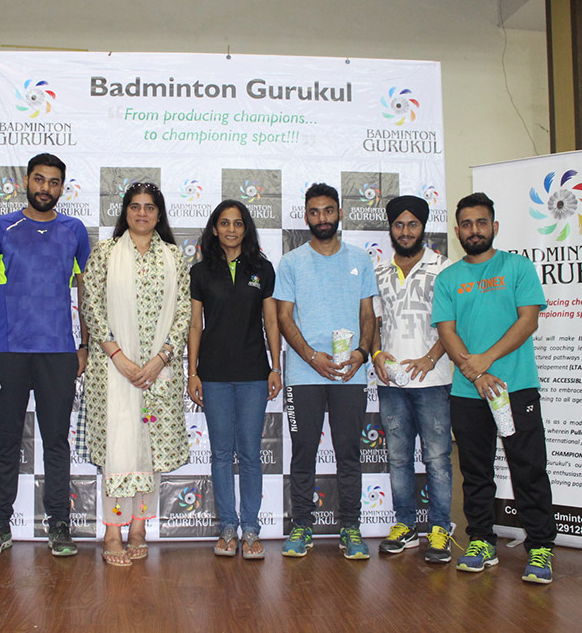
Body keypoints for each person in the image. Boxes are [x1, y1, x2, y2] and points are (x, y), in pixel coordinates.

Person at [432, 191, 555, 584]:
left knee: (529, 468)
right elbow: (447, 333)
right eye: (467, 224)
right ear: (457, 231)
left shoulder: (517, 267)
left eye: (481, 222)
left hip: (516, 388)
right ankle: (482, 541)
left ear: (494, 226)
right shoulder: (448, 279)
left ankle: (540, 547)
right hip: (468, 392)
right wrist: (476, 373)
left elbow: (528, 321)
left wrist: (486, 359)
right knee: (475, 471)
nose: (474, 230)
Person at [0, 153, 90, 559]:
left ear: (62, 188)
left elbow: (86, 290)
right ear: (26, 181)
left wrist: (85, 345)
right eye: (39, 179)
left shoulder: (74, 230)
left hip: (58, 353)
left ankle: (58, 523)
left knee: (56, 442)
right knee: (6, 441)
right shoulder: (1, 228)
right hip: (8, 351)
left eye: (54, 182)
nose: (45, 188)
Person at [81, 182, 191, 566]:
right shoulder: (106, 253)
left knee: (149, 448)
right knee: (118, 446)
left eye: (149, 207)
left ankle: (139, 529)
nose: (142, 213)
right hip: (112, 372)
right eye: (135, 206)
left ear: (159, 215)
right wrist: (119, 357)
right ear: (125, 212)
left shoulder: (174, 257)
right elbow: (91, 306)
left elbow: (184, 314)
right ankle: (113, 532)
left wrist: (160, 359)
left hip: (159, 373)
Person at [274, 183, 377, 560]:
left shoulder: (360, 259)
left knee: (349, 453)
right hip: (304, 375)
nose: (322, 218)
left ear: (340, 213)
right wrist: (310, 356)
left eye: (328, 211)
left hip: (350, 374)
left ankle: (351, 528)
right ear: (306, 216)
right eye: (315, 212)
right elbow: (284, 317)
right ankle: (301, 526)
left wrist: (362, 354)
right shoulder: (291, 262)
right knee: (303, 452)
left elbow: (368, 314)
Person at [187, 200, 281, 559]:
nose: (231, 229)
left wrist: (275, 367)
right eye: (224, 223)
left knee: (251, 454)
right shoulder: (201, 272)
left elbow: (271, 322)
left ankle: (251, 529)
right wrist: (192, 372)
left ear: (246, 229)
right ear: (214, 229)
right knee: (222, 454)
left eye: (238, 223)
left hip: (254, 374)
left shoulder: (262, 268)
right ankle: (227, 527)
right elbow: (195, 326)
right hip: (213, 376)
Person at [371, 195, 454, 563]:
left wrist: (430, 358)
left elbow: (453, 323)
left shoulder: (444, 268)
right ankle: (404, 525)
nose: (405, 232)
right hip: (391, 384)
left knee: (437, 459)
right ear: (391, 229)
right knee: (398, 458)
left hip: (433, 380)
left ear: (423, 227)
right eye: (399, 225)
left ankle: (440, 529)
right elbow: (372, 322)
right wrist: (375, 354)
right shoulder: (379, 271)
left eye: (412, 225)